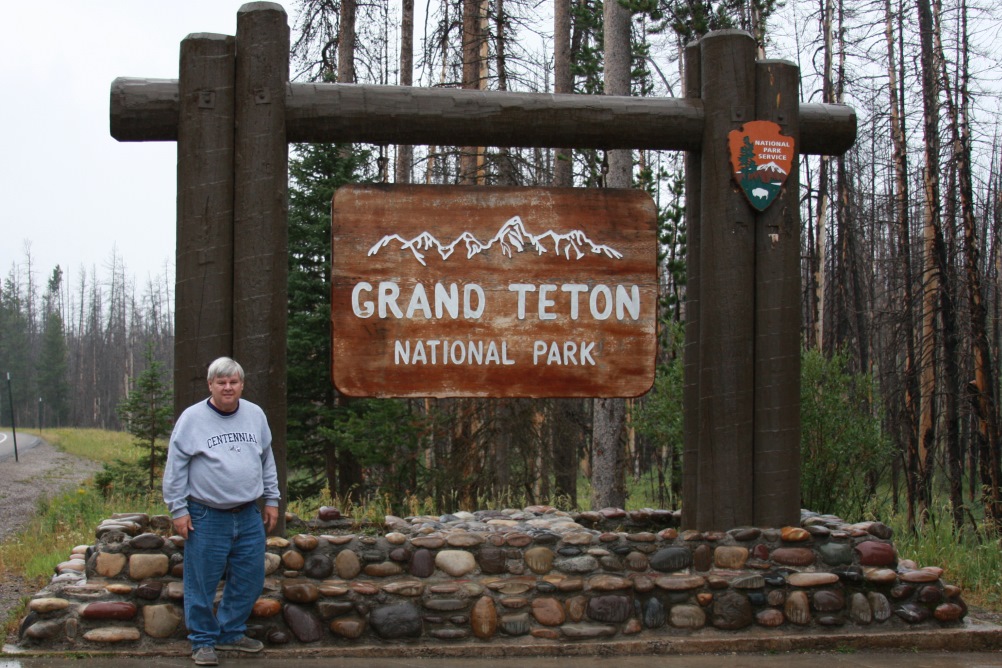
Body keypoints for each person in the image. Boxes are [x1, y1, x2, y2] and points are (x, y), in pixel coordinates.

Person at [163, 357, 280, 666]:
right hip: (206, 514)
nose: (228, 387)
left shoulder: (255, 414)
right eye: (221, 382)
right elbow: (175, 467)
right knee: (201, 582)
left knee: (251, 578)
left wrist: (272, 499)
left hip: (248, 513)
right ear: (210, 385)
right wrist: (177, 509)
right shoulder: (192, 418)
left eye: (233, 382)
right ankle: (202, 640)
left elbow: (267, 459)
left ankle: (230, 633)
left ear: (242, 385)